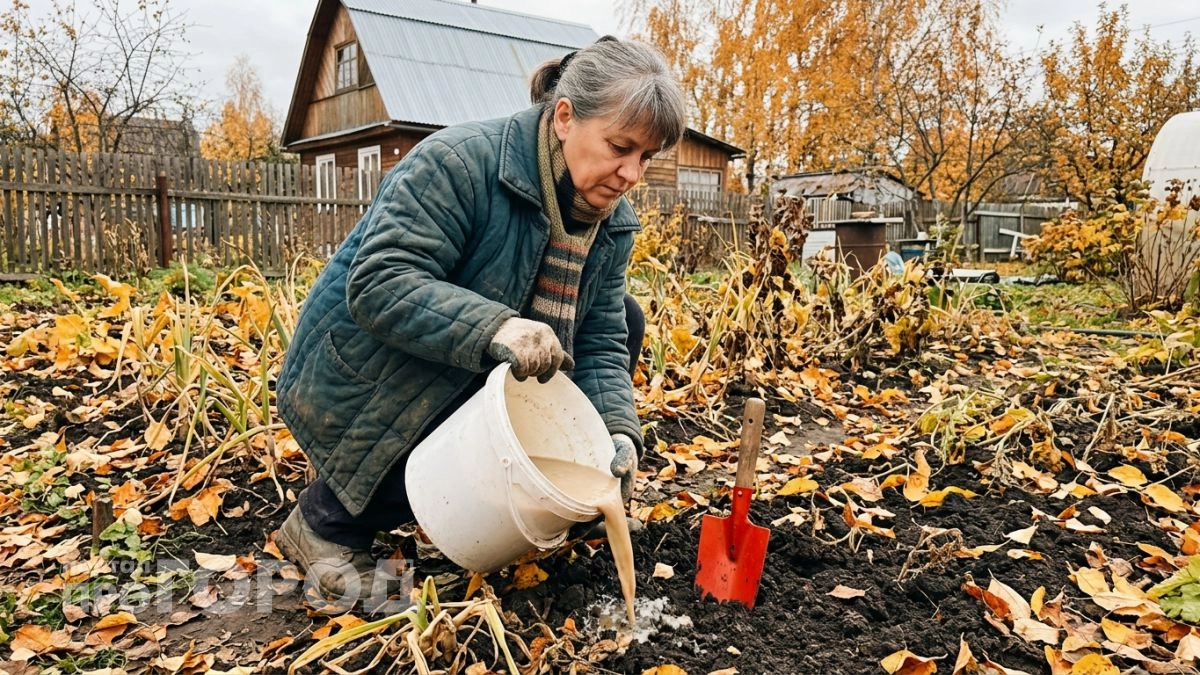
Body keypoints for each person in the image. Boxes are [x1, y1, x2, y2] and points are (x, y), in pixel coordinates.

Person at [274, 36, 687, 606]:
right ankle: (327, 522)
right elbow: (380, 283)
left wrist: (615, 433)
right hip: (359, 374)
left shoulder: (611, 222)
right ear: (565, 117)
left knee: (626, 317)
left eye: (646, 157)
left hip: (459, 360)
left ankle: (555, 502)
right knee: (479, 350)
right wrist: (496, 329)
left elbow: (601, 341)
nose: (632, 173)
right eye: (620, 147)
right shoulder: (459, 163)